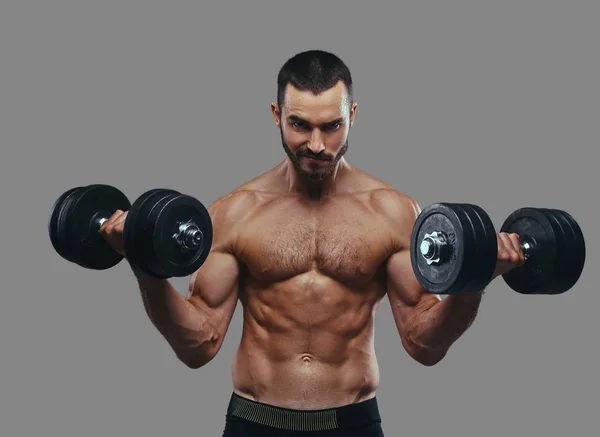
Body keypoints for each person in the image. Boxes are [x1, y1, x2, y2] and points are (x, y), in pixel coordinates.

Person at [99, 50, 525, 436]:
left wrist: (472, 284)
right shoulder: (233, 213)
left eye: (331, 126)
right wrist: (145, 267)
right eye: (300, 124)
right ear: (275, 115)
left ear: (352, 115)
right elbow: (199, 344)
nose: (317, 145)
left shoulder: (393, 212)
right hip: (254, 422)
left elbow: (423, 343)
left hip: (353, 423)